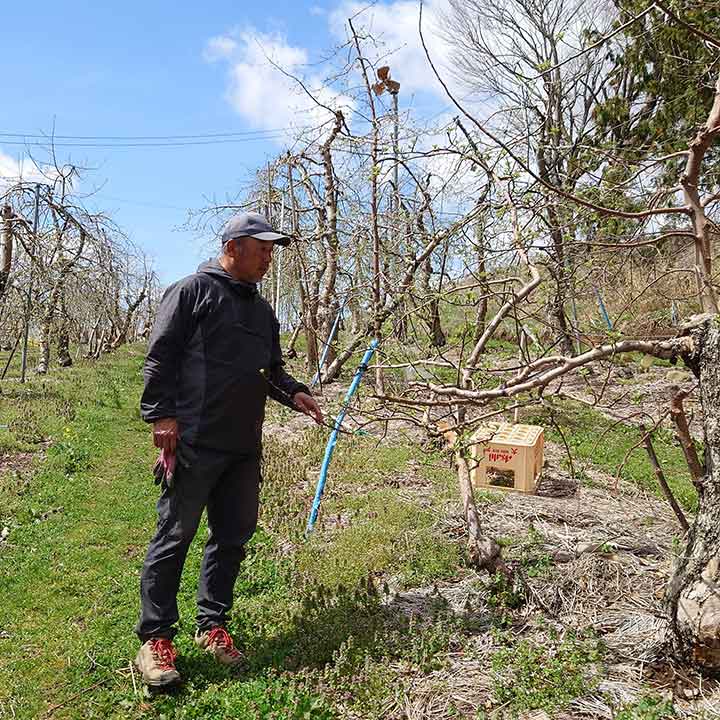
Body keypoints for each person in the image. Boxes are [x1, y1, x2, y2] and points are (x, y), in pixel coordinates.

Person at [134, 211, 323, 690]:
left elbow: (270, 371)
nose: (268, 258)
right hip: (195, 440)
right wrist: (161, 415)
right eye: (262, 249)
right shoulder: (191, 292)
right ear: (234, 246)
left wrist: (294, 391)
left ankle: (212, 626)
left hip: (244, 447)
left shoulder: (262, 313)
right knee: (174, 535)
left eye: (272, 251)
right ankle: (154, 640)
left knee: (232, 539)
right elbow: (161, 355)